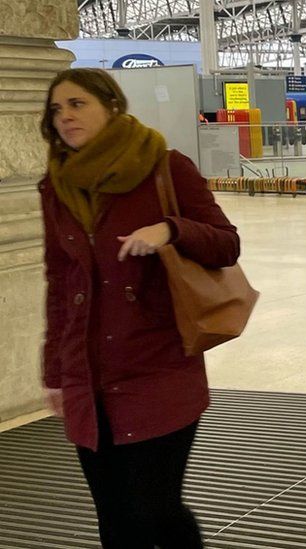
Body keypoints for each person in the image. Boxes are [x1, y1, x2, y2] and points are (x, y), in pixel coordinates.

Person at [38, 68, 240, 548]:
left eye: (77, 104)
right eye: (56, 109)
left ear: (111, 105)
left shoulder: (165, 167)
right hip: (88, 374)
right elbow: (59, 285)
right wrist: (53, 372)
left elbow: (226, 245)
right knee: (114, 517)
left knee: (157, 510)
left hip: (157, 368)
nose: (65, 116)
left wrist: (170, 229)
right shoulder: (57, 186)